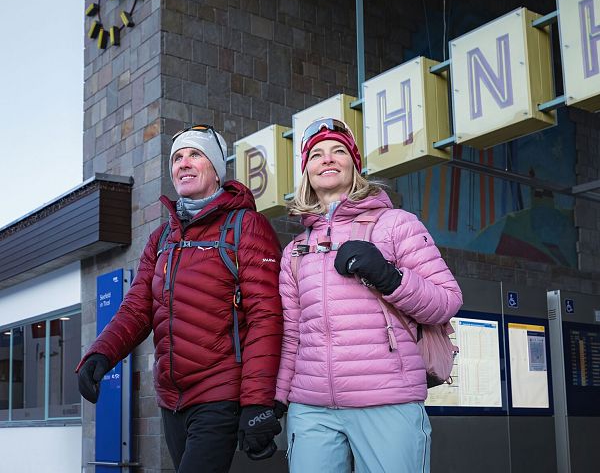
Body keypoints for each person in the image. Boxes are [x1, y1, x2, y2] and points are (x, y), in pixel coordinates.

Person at [77, 125, 283, 473]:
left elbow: (266, 316)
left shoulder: (245, 226)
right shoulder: (162, 238)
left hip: (221, 394)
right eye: (177, 158)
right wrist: (101, 352)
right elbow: (138, 306)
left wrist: (256, 401)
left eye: (195, 155)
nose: (183, 164)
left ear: (216, 169)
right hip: (172, 399)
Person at [274, 118, 463, 473]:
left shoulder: (396, 225)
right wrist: (278, 399)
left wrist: (390, 278)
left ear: (354, 165)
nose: (327, 159)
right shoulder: (295, 251)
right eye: (316, 154)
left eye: (338, 151)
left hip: (386, 400)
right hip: (312, 409)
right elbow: (292, 334)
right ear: (307, 171)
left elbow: (447, 300)